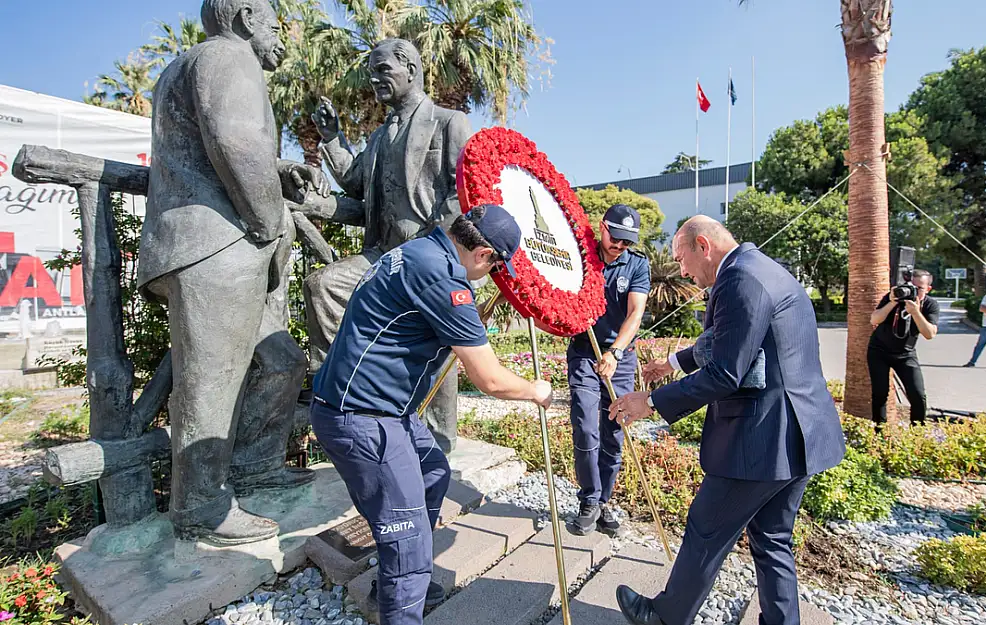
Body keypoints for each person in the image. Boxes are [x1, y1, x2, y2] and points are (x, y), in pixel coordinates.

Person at [137, 0, 325, 544]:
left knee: (281, 361)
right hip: (214, 245)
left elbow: (220, 145)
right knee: (211, 382)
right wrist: (269, 225)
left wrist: (279, 169)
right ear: (245, 17)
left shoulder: (196, 64)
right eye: (273, 23)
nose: (280, 35)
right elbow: (234, 142)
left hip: (216, 242)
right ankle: (202, 508)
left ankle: (253, 466)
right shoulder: (226, 55)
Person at [310, 205, 553, 625]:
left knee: (433, 471)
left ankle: (397, 580)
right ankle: (403, 593)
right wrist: (536, 390)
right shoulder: (444, 278)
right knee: (409, 541)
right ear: (483, 255)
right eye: (496, 267)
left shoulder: (422, 249)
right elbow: (489, 379)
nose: (492, 275)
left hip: (383, 411)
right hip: (365, 418)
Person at [609, 216, 845, 625]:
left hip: (763, 438)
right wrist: (673, 363)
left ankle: (664, 618)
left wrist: (649, 402)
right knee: (772, 538)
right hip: (802, 432)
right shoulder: (763, 269)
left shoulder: (739, 282)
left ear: (704, 245)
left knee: (706, 527)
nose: (682, 270)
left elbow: (725, 372)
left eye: (682, 258)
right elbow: (731, 339)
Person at [298, 38, 472, 453]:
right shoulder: (378, 137)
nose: (374, 79)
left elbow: (463, 190)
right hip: (382, 255)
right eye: (371, 71)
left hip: (429, 256)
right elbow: (356, 186)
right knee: (323, 287)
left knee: (436, 335)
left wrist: (434, 247)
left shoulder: (448, 122)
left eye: (383, 70)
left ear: (410, 69)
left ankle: (437, 441)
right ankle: (342, 392)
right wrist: (333, 137)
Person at [565, 204, 650, 536]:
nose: (619, 246)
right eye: (615, 238)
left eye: (627, 242)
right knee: (586, 427)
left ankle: (602, 501)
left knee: (614, 433)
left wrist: (615, 352)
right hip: (585, 353)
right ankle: (588, 498)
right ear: (602, 228)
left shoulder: (638, 265)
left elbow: (635, 313)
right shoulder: (582, 258)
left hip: (620, 358)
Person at [867, 270, 940, 426]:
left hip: (905, 354)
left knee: (918, 395)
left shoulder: (930, 305)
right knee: (880, 393)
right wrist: (892, 302)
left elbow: (929, 334)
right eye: (910, 286)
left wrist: (915, 312)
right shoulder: (895, 297)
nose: (912, 291)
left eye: (919, 288)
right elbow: (874, 319)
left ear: (928, 289)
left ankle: (917, 432)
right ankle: (879, 432)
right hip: (879, 350)